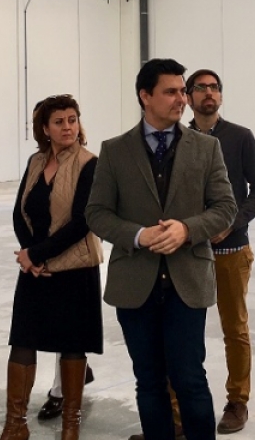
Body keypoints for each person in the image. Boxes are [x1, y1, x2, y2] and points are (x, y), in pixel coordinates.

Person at [85, 58, 236, 440]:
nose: (182, 99)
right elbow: (96, 213)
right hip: (135, 284)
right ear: (145, 96)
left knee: (190, 379)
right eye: (171, 92)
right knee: (149, 381)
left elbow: (225, 207)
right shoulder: (115, 150)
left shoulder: (207, 147)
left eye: (182, 91)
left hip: (187, 282)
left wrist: (187, 229)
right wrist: (138, 235)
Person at [0, 94, 103, 440]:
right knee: (22, 341)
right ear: (45, 128)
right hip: (36, 270)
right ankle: (15, 424)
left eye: (72, 120)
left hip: (75, 270)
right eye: (59, 122)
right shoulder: (36, 161)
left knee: (72, 346)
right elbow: (20, 212)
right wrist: (31, 255)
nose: (67, 127)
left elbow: (83, 221)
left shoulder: (89, 163)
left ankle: (70, 426)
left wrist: (38, 254)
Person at [185, 68, 255, 434]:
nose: (209, 92)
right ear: (188, 96)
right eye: (200, 87)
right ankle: (181, 409)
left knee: (234, 328)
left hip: (231, 250)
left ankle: (238, 401)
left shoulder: (240, 137)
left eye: (214, 87)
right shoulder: (179, 139)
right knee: (184, 331)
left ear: (220, 95)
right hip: (188, 251)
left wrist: (231, 223)